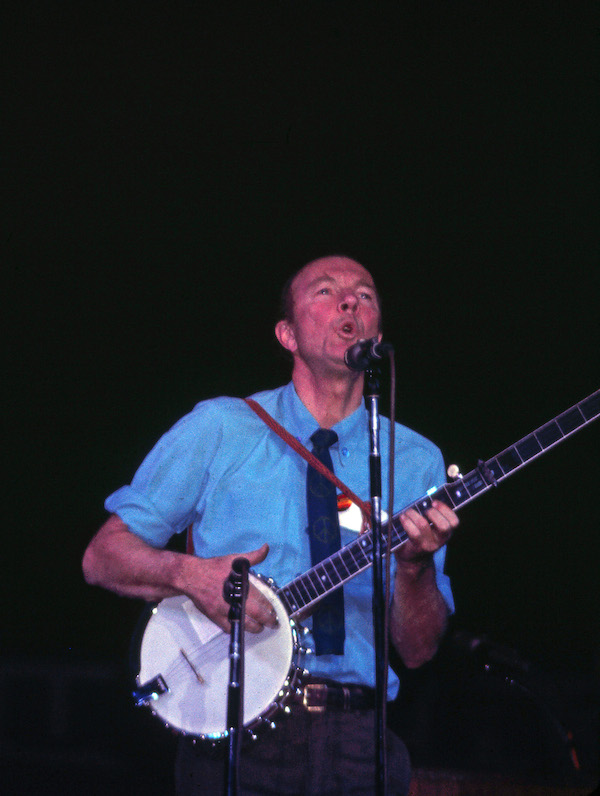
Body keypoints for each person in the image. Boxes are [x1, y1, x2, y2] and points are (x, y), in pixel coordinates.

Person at [82, 254, 458, 795]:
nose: (350, 301)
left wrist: (415, 565)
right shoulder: (221, 427)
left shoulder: (415, 460)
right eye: (326, 292)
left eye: (365, 295)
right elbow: (103, 557)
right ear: (287, 334)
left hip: (361, 741)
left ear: (378, 332)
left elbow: (419, 649)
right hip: (238, 732)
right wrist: (192, 576)